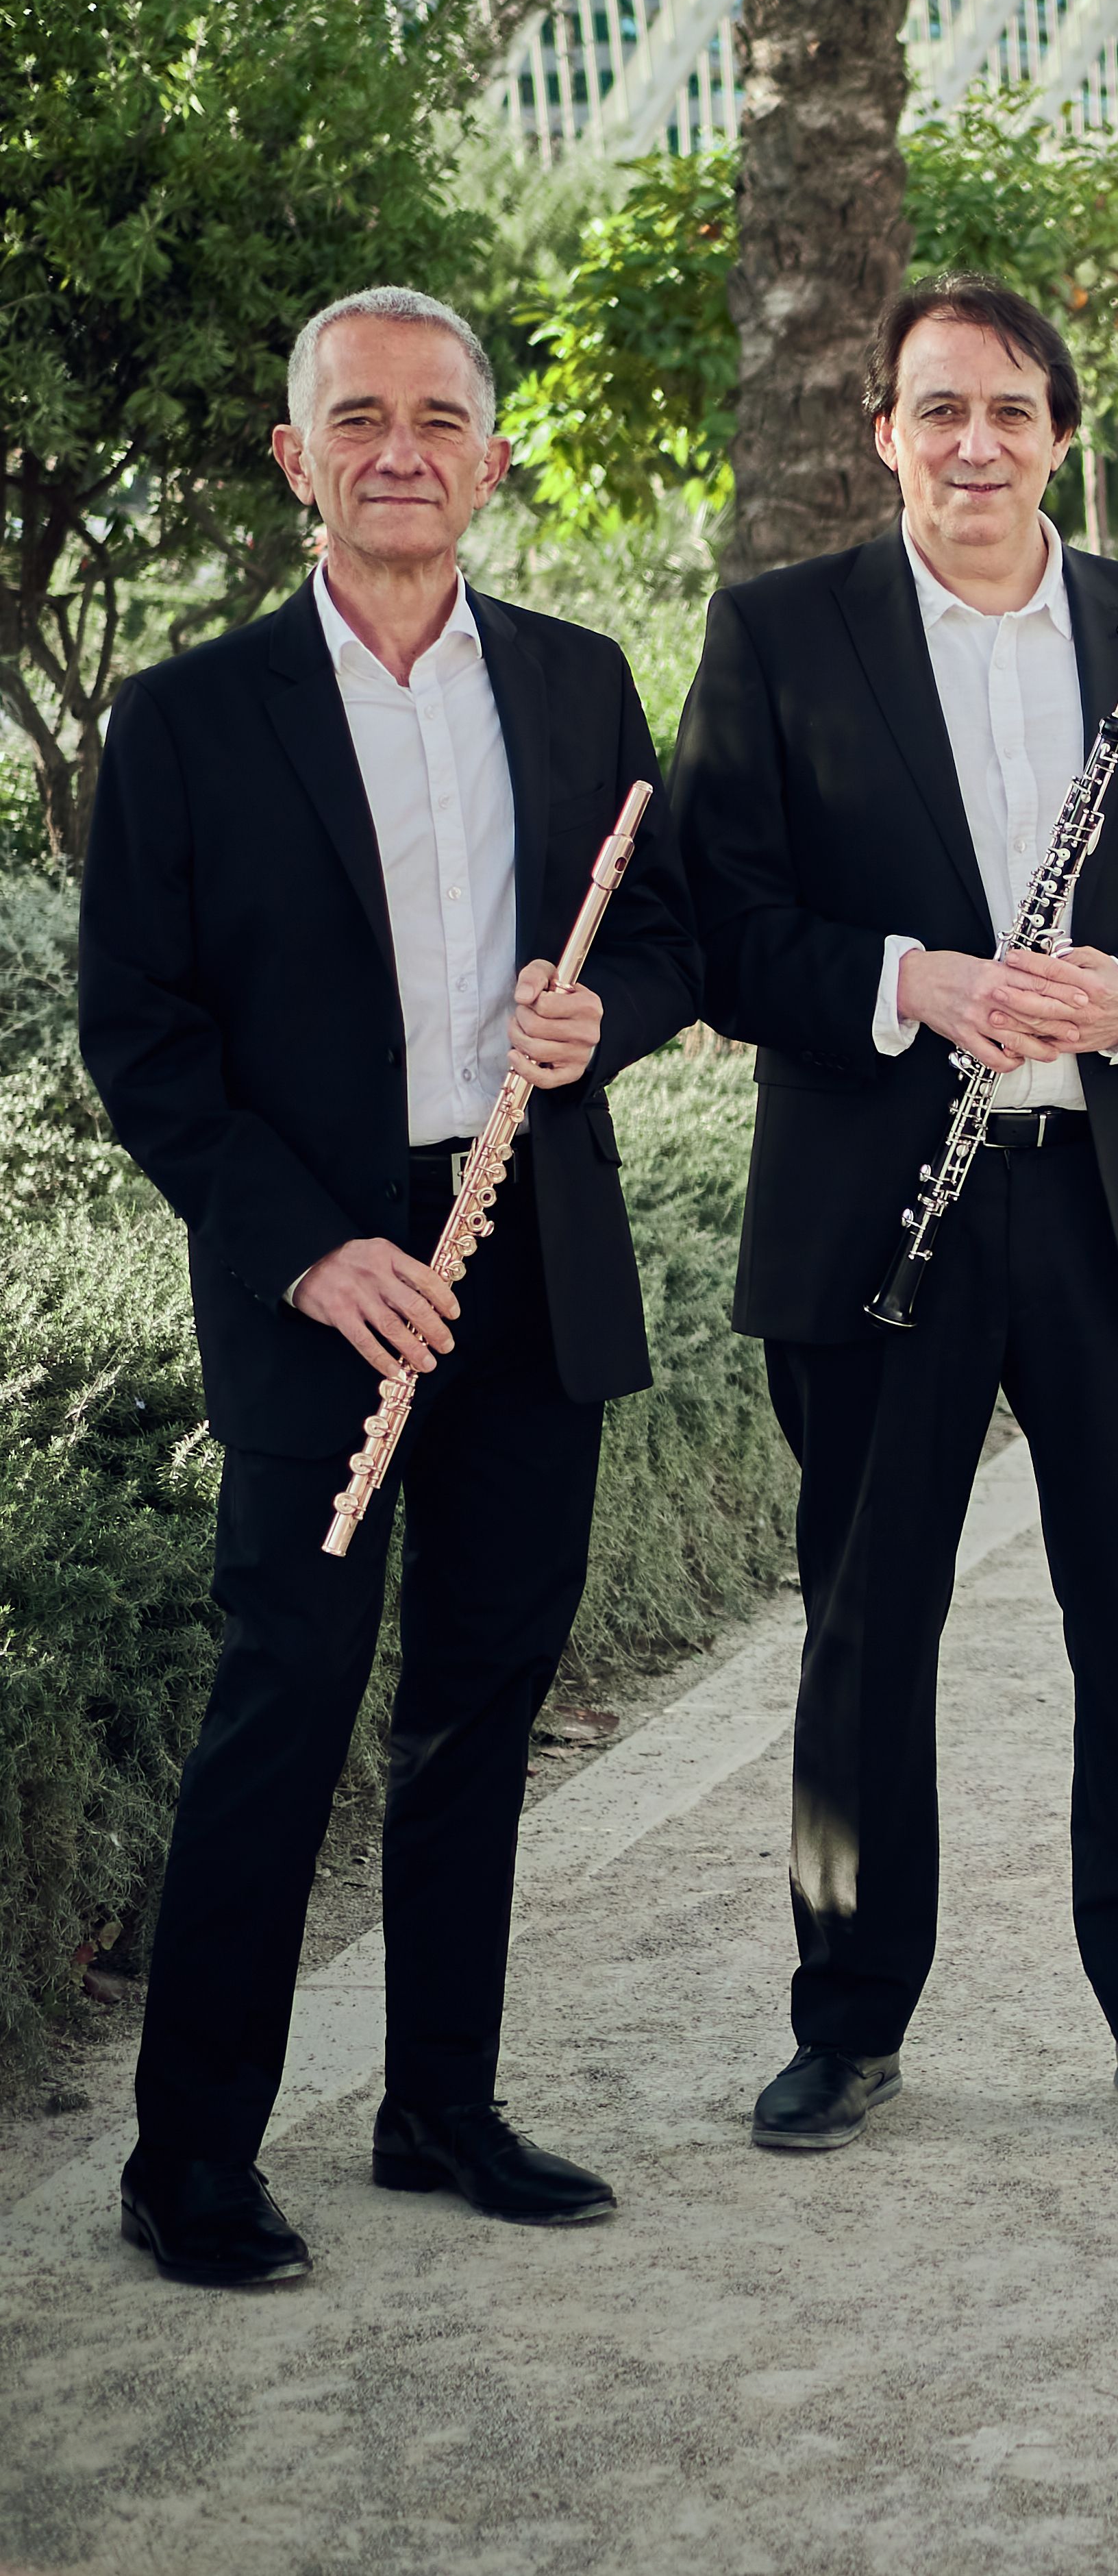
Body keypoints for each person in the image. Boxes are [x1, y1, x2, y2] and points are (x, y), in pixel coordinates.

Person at [77, 287, 702, 2285]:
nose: (402, 449)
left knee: (480, 1701)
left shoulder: (579, 682)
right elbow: (142, 1033)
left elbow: (668, 936)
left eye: (440, 417)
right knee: (285, 1702)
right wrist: (303, 1250)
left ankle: (437, 2102)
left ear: (493, 457)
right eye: (359, 417)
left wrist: (602, 1021)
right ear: (299, 458)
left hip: (530, 1250)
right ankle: (189, 2157)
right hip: (323, 1273)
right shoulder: (190, 717)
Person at [668, 275, 1118, 2152]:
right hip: (880, 1213)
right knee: (864, 1628)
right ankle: (847, 2018)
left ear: (1058, 436)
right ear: (883, 431)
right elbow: (721, 924)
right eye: (939, 409)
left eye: (1011, 410)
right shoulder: (780, 636)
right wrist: (912, 982)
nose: (976, 444)